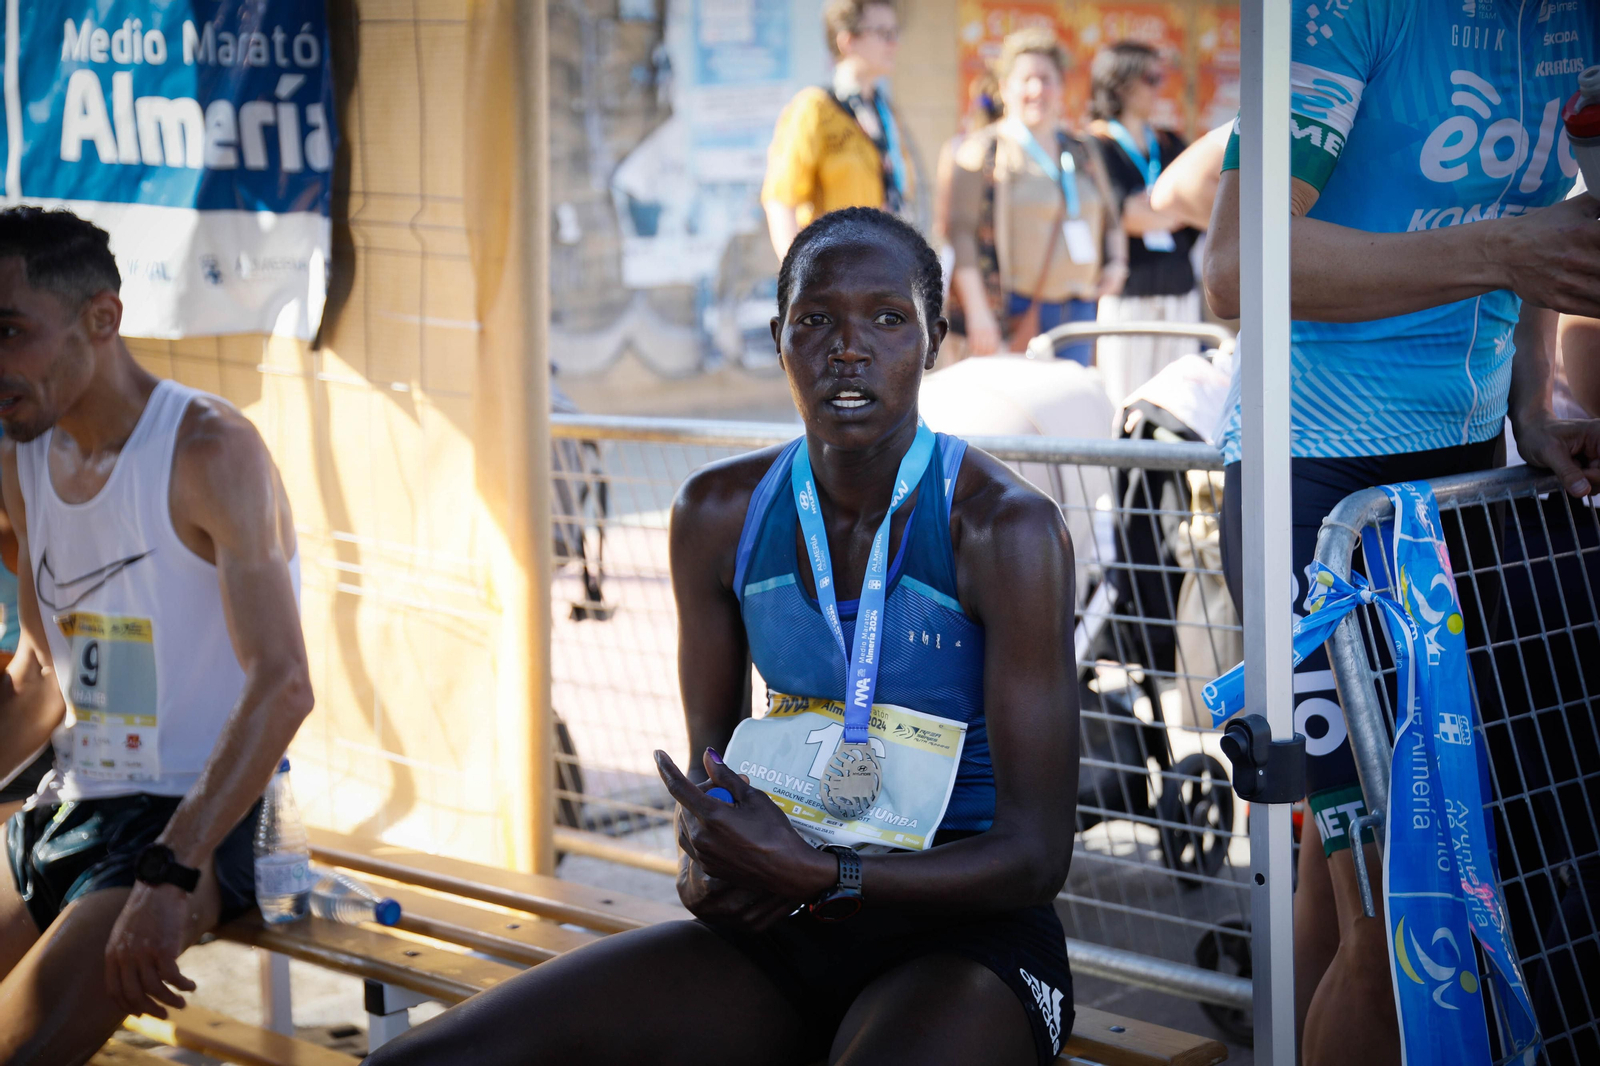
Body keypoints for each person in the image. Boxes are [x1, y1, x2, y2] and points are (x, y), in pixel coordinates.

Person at [367, 207, 1082, 1066]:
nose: (848, 349)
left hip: (974, 943)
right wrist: (709, 856)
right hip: (790, 919)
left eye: (888, 319)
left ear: (932, 344)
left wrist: (830, 876)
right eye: (816, 320)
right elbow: (715, 779)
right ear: (780, 339)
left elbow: (1038, 858)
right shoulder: (717, 516)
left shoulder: (1005, 531)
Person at [1203, 5, 1600, 1063]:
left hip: (1470, 478)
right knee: (1400, 913)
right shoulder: (1349, 8)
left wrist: (1533, 395)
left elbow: (1545, 234)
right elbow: (1234, 269)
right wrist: (1512, 250)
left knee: (1360, 897)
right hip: (1312, 476)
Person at [0, 207, 312, 1062]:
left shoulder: (210, 449)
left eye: (9, 331)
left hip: (201, 819)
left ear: (102, 320)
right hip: (73, 803)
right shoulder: (22, 452)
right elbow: (40, 676)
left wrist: (174, 868)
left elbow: (284, 683)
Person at [948, 30, 1127, 365]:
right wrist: (979, 313)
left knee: (1071, 411)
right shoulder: (983, 149)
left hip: (1080, 311)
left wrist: (1117, 264)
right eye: (1026, 79)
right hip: (1016, 313)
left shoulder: (1083, 149)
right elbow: (960, 234)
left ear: (1061, 88)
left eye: (1046, 79)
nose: (1037, 90)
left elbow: (1111, 218)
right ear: (1004, 88)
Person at [1087, 42, 1203, 406]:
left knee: (1181, 405)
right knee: (1124, 402)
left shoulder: (1170, 141)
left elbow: (1199, 208)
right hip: (1127, 295)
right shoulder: (1094, 143)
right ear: (1120, 83)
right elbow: (1121, 216)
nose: (1159, 87)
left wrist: (1150, 207)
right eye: (1150, 78)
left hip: (1180, 290)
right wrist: (1168, 210)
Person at [761, 0, 915, 260]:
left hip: (883, 272)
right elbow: (780, 201)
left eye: (895, 33)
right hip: (837, 278)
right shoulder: (815, 108)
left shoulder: (885, 114)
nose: (894, 44)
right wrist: (802, 283)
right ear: (848, 41)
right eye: (883, 33)